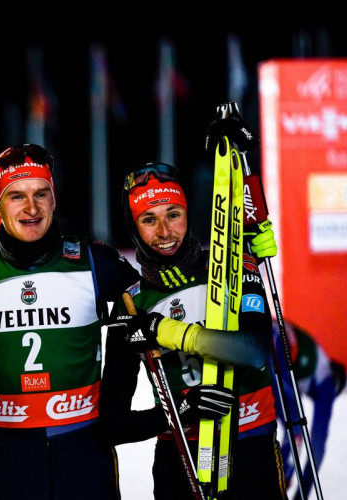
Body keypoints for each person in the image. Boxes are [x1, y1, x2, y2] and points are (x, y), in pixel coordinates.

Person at [0, 143, 145, 500]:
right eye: (16, 196)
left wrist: (118, 386)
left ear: (54, 200)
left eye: (42, 194)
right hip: (12, 453)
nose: (32, 208)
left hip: (85, 448)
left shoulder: (92, 258)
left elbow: (149, 302)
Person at [100, 161, 287, 500]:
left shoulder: (236, 267)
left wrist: (170, 332)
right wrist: (180, 412)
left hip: (249, 446)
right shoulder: (133, 304)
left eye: (173, 214)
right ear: (134, 227)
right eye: (148, 219)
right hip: (179, 459)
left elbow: (255, 351)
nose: (164, 231)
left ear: (188, 213)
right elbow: (112, 424)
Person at [271, 319, 347, 500]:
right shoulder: (327, 382)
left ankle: (278, 476)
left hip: (264, 333)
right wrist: (301, 494)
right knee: (296, 428)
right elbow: (317, 447)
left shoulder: (316, 357)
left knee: (286, 424)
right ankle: (280, 478)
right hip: (274, 345)